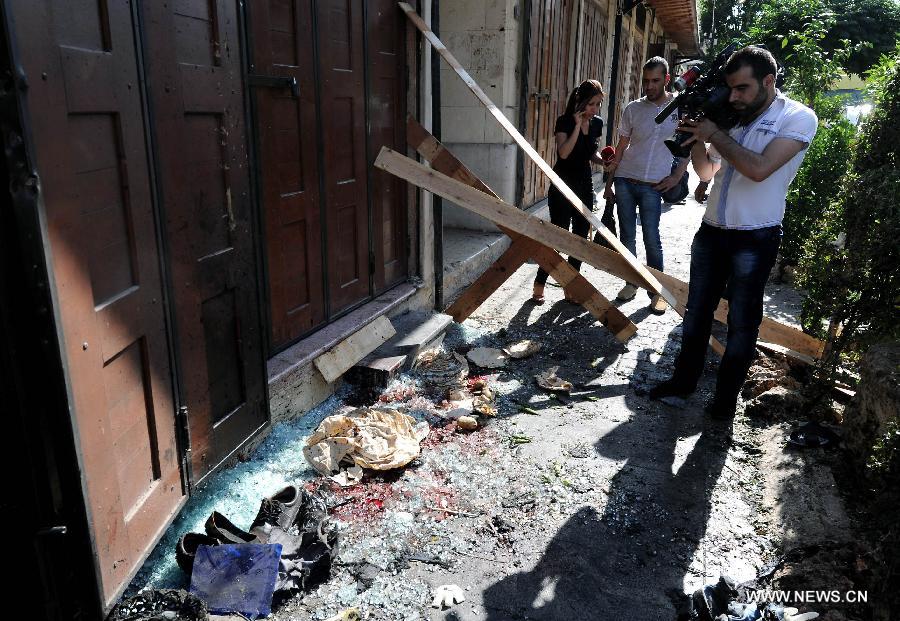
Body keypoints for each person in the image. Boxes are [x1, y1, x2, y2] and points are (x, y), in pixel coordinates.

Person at [649, 46, 818, 419]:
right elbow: (709, 173)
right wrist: (696, 140)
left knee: (742, 322)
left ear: (769, 81)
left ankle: (724, 402)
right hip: (712, 231)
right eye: (731, 88)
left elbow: (759, 169)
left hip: (754, 237)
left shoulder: (798, 118)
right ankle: (682, 384)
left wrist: (716, 134)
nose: (734, 96)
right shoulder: (735, 117)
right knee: (696, 313)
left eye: (742, 88)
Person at [604, 56, 689, 314]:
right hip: (626, 180)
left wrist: (676, 177)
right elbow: (621, 148)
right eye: (645, 81)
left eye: (655, 81)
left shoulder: (679, 109)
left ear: (666, 79)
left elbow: (687, 147)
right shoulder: (633, 109)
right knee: (627, 235)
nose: (649, 86)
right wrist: (609, 183)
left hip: (654, 184)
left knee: (652, 238)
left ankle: (657, 290)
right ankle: (631, 282)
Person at [532, 79, 606, 304]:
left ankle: (570, 285)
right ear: (580, 101)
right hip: (563, 183)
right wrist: (576, 125)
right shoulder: (564, 121)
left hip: (584, 183)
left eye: (598, 105)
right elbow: (564, 153)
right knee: (559, 235)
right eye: (592, 104)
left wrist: (605, 162)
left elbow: (590, 153)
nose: (595, 109)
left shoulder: (597, 123)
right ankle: (539, 283)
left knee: (581, 237)